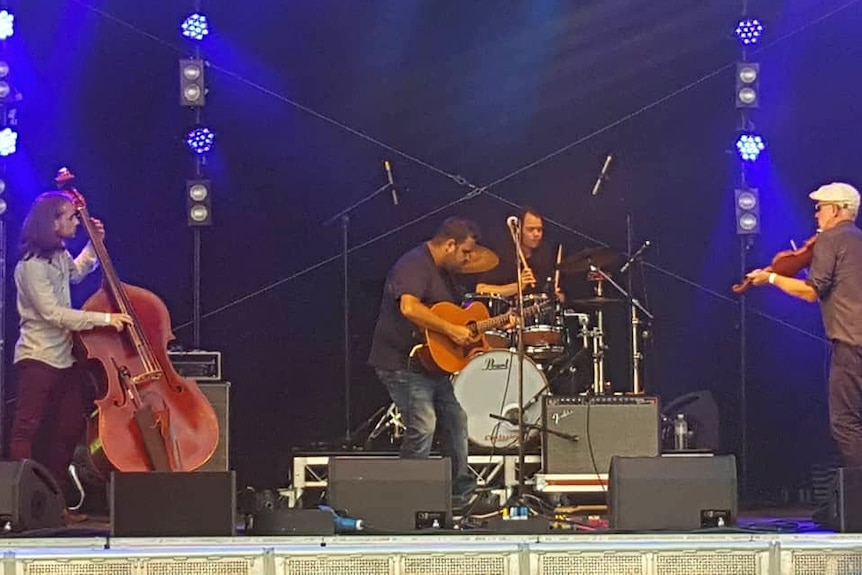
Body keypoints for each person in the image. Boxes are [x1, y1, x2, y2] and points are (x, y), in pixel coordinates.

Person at [8, 191, 133, 519]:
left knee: (65, 431)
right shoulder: (31, 267)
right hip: (38, 358)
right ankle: (19, 504)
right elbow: (55, 314)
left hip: (64, 358)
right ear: (53, 222)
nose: (76, 221)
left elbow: (77, 272)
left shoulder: (59, 257)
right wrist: (106, 319)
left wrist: (94, 245)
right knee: (28, 429)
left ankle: (56, 506)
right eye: (70, 217)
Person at [368, 217, 495, 513]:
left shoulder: (447, 276)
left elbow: (454, 319)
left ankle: (459, 497)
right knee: (424, 424)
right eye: (465, 252)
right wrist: (451, 331)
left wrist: (466, 334)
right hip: (401, 362)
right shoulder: (414, 264)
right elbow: (409, 307)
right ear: (450, 244)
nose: (468, 259)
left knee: (456, 420)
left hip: (431, 367)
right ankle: (407, 499)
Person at [746, 182, 862, 468]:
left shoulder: (829, 239)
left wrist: (770, 278)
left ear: (836, 210)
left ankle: (857, 498)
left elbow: (812, 292)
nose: (816, 214)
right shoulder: (856, 239)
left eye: (820, 208)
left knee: (845, 422)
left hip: (850, 342)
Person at [476, 206, 561, 298]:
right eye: (530, 229)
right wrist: (518, 286)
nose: (536, 234)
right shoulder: (503, 257)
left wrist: (557, 296)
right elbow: (481, 289)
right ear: (518, 230)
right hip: (507, 311)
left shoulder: (545, 257)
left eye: (539, 230)